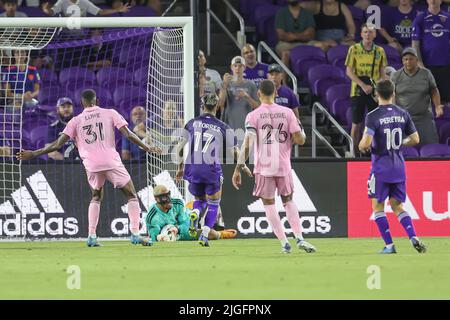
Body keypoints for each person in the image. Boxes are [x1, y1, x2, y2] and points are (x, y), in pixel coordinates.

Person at [16, 89, 162, 247]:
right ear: (97, 101)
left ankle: (92, 236)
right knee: (132, 195)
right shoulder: (110, 113)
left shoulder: (75, 120)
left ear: (81, 104)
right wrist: (146, 147)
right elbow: (128, 134)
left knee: (96, 197)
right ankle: (135, 233)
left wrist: (34, 153)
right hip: (111, 161)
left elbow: (58, 144)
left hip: (91, 164)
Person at [232, 80, 316, 254]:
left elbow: (248, 144)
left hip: (263, 167)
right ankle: (299, 238)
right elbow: (300, 140)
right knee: (288, 200)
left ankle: (284, 242)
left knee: (268, 203)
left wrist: (238, 168)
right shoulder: (287, 113)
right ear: (276, 94)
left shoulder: (253, 116)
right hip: (283, 165)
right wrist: (301, 132)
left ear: (258, 94)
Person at [358, 79, 427, 254]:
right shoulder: (403, 113)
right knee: (398, 207)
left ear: (376, 94)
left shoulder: (373, 116)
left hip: (380, 168)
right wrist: (400, 143)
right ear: (393, 93)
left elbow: (365, 144)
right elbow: (416, 139)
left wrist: (361, 145)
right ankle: (413, 237)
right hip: (398, 167)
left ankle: (389, 245)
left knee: (378, 207)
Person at [175, 93, 246, 247]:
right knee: (214, 203)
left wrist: (180, 167)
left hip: (192, 168)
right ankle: (205, 235)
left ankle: (196, 213)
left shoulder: (192, 123)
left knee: (199, 201)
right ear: (217, 106)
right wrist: (242, 166)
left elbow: (179, 148)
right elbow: (235, 152)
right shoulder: (223, 126)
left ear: (202, 106)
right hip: (211, 169)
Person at [345, 23, 388, 156]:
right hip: (357, 91)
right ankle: (354, 153)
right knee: (356, 123)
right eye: (365, 32)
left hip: (373, 92)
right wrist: (363, 86)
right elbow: (349, 72)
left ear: (375, 34)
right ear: (361, 34)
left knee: (374, 124)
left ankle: (373, 151)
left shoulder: (379, 51)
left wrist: (379, 91)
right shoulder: (354, 49)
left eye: (370, 32)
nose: (368, 34)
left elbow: (382, 73)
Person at [146, 185, 236, 243]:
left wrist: (177, 228)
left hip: (185, 226)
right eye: (164, 197)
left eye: (168, 194)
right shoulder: (153, 217)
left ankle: (221, 233)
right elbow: (154, 238)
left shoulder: (177, 203)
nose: (169, 199)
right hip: (175, 237)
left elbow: (186, 224)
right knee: (211, 234)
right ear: (157, 199)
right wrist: (164, 237)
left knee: (212, 232)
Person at [391, 47, 444, 145]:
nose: (408, 62)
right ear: (402, 61)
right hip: (404, 119)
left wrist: (437, 105)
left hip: (424, 118)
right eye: (405, 59)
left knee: (430, 147)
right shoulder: (396, 76)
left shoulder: (426, 73)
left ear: (416, 60)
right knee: (405, 148)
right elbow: (392, 94)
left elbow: (433, 90)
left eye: (411, 59)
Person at [411, 0, 450, 105]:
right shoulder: (420, 18)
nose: (433, 0)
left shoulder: (448, 17)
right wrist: (419, 64)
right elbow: (415, 44)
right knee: (427, 101)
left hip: (446, 65)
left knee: (447, 101)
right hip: (427, 67)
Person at [274, 0, 321, 72]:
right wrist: (303, 34)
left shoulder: (307, 13)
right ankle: (284, 81)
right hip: (286, 44)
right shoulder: (281, 13)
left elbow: (310, 35)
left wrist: (292, 35)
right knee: (285, 53)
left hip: (306, 43)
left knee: (320, 46)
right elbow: (282, 36)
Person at [218, 56, 259, 131]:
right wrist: (224, 85)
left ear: (245, 67)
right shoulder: (225, 84)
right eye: (235, 66)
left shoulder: (251, 84)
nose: (237, 68)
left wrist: (247, 97)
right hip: (229, 126)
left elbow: (257, 106)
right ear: (231, 67)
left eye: (240, 66)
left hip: (246, 126)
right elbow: (220, 104)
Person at [42, 0, 130, 17]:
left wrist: (117, 10)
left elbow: (101, 12)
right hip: (65, 37)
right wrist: (46, 10)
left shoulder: (84, 2)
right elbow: (52, 12)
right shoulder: (62, 1)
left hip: (80, 38)